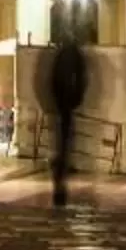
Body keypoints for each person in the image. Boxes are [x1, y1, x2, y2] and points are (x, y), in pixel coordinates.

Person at [46, 31, 89, 206]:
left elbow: (54, 80)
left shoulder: (60, 56)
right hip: (69, 101)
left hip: (61, 101)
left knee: (62, 133)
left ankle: (61, 160)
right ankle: (63, 160)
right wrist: (78, 97)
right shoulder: (75, 56)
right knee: (66, 133)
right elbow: (82, 78)